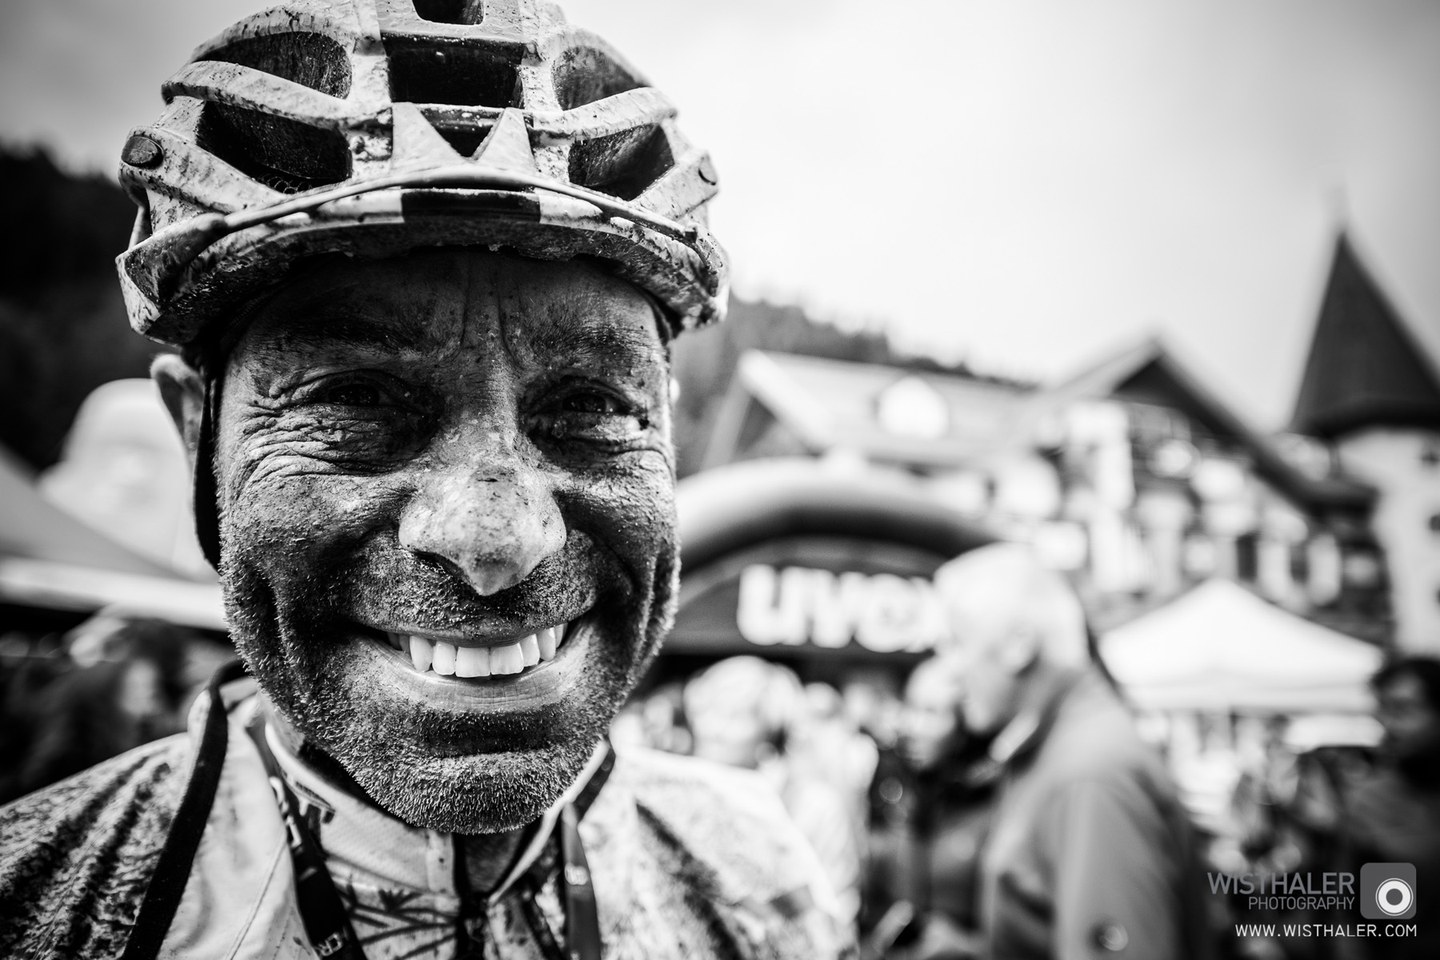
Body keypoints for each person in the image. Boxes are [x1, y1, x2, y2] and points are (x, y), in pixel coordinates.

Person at [0, 4, 849, 958]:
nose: (496, 540)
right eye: (356, 400)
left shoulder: (764, 884)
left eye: (593, 406)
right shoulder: (34, 909)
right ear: (198, 437)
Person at [929, 543, 1214, 960]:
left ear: (1019, 645)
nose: (949, 670)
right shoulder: (1057, 750)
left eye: (957, 641)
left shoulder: (1089, 773)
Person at [684, 657, 865, 937]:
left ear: (771, 732)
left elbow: (837, 910)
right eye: (707, 710)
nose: (712, 729)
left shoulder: (813, 805)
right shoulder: (688, 793)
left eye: (735, 716)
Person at [862, 657, 997, 960]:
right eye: (909, 706)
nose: (911, 725)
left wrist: (968, 946)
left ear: (967, 726)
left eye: (931, 712)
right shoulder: (900, 790)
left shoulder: (998, 802)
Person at [1333, 656, 1440, 960]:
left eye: (1403, 710)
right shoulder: (1376, 803)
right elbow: (1378, 922)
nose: (1389, 725)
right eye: (1384, 711)